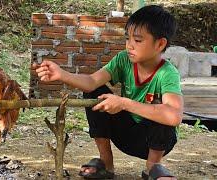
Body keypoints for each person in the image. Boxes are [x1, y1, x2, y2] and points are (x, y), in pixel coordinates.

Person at [33, 5, 182, 179]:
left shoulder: (167, 73)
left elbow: (174, 115)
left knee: (162, 109)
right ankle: (106, 163)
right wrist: (61, 74)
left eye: (138, 40)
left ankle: (153, 167)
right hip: (125, 136)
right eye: (128, 39)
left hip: (155, 141)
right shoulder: (123, 60)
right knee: (93, 92)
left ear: (160, 44)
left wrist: (123, 103)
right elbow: (91, 82)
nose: (130, 46)